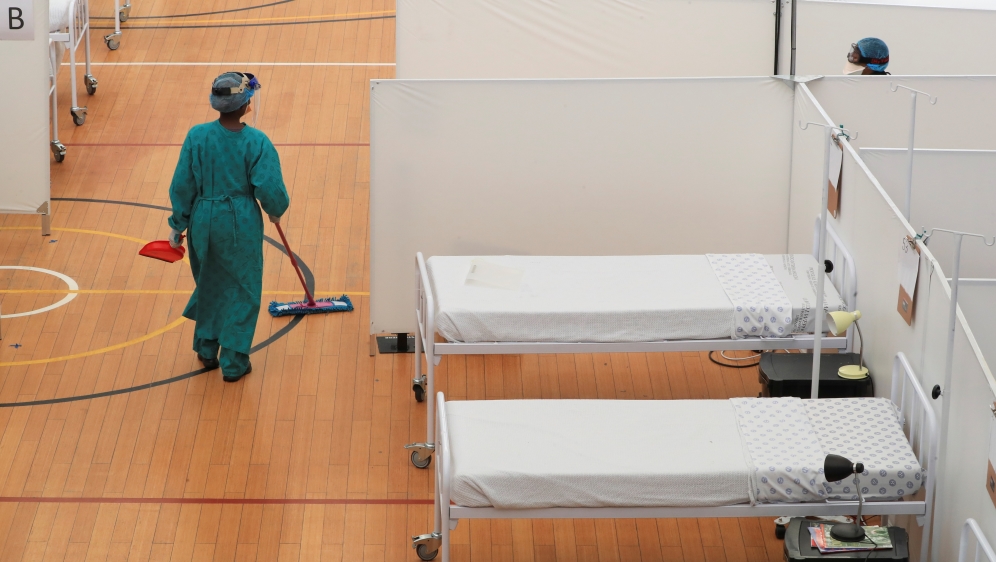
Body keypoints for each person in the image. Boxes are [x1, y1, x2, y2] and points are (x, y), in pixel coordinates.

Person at [166, 72, 290, 382]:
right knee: (243, 290)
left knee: (209, 283)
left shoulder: (197, 136)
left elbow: (183, 184)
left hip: (202, 220)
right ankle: (234, 362)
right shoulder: (257, 141)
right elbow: (269, 187)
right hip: (240, 223)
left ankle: (206, 349)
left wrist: (177, 224)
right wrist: (275, 210)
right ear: (247, 104)